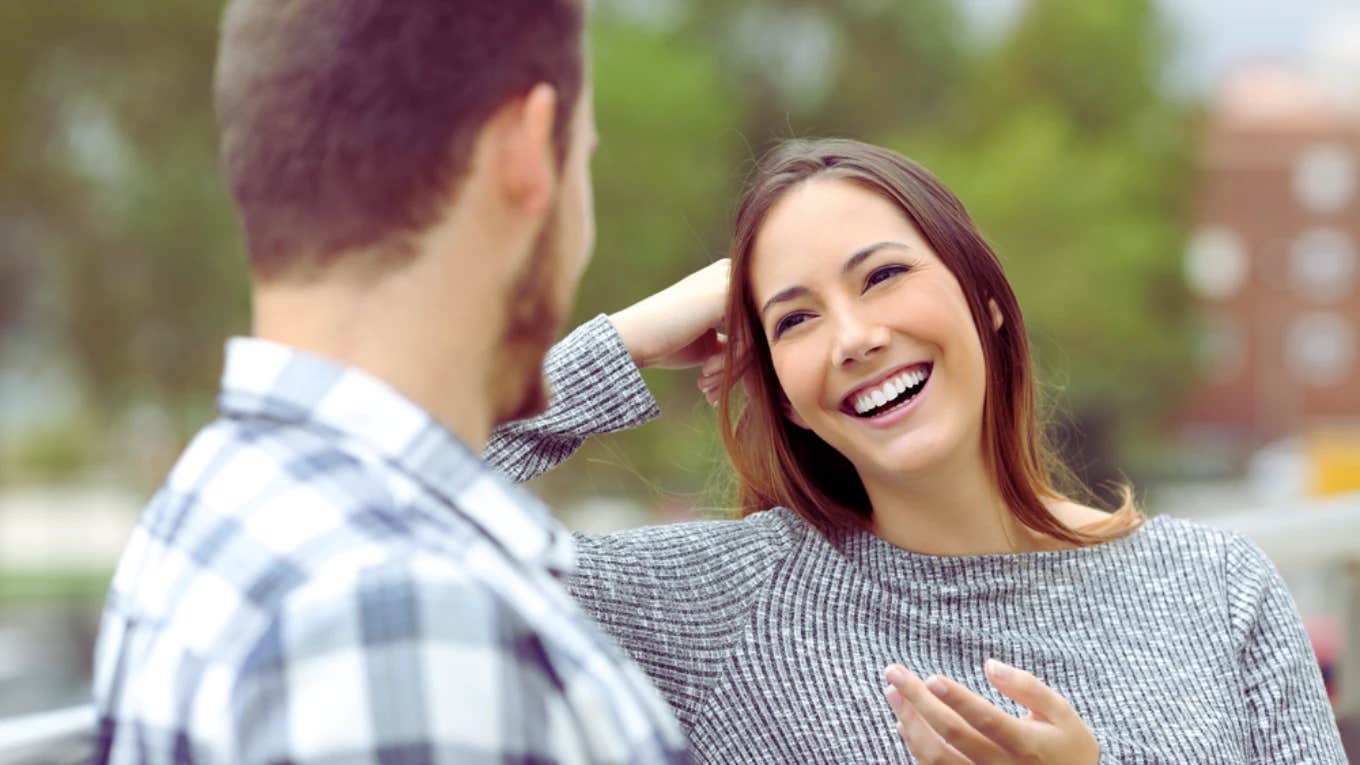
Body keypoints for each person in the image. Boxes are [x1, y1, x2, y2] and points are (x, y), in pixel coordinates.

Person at [486, 138, 1347, 763]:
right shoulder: (719, 611)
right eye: (794, 318)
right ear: (782, 392)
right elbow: (376, 503)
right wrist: (627, 340)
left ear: (987, 299)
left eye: (883, 275)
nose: (855, 335)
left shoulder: (1215, 589)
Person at [91, 1, 691, 762]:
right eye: (587, 160)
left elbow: (415, 472)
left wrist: (611, 352)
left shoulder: (226, 496)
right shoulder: (400, 616)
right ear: (529, 149)